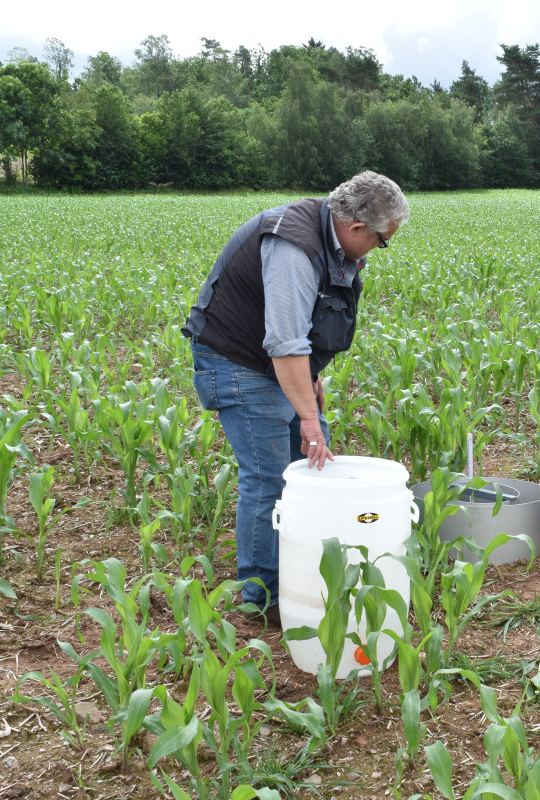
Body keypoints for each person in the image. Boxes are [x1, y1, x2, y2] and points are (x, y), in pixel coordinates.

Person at [182, 171, 409, 625]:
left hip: (280, 363)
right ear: (357, 228)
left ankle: (311, 568)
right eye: (382, 242)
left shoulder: (336, 242)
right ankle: (262, 596)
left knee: (313, 469)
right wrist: (306, 414)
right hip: (238, 361)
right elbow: (285, 342)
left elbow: (309, 329)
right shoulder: (293, 246)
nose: (379, 251)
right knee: (269, 479)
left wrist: (313, 378)